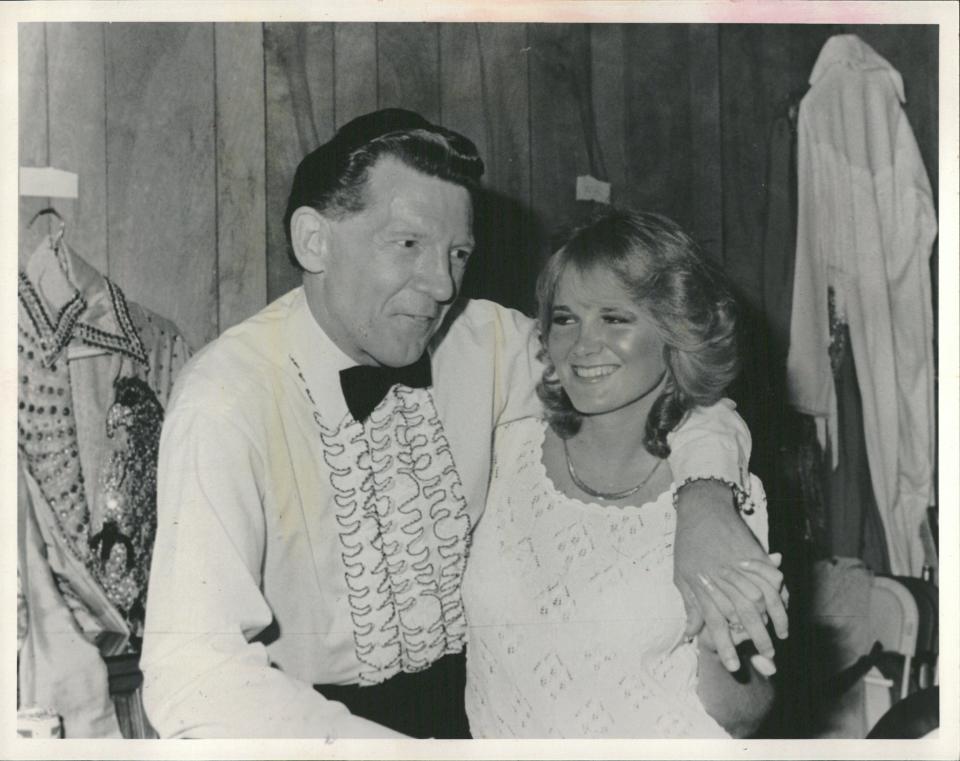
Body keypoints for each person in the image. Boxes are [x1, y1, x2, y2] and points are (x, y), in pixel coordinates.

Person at [141, 109, 786, 739]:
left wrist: (706, 499)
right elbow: (191, 676)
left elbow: (666, 380)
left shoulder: (483, 342)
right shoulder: (225, 401)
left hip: (475, 723)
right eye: (409, 245)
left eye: (457, 253)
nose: (443, 284)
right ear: (314, 240)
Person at [464, 210, 778, 737]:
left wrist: (713, 636)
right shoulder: (503, 453)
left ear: (675, 330)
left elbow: (743, 715)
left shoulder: (724, 490)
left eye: (614, 318)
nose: (583, 346)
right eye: (566, 319)